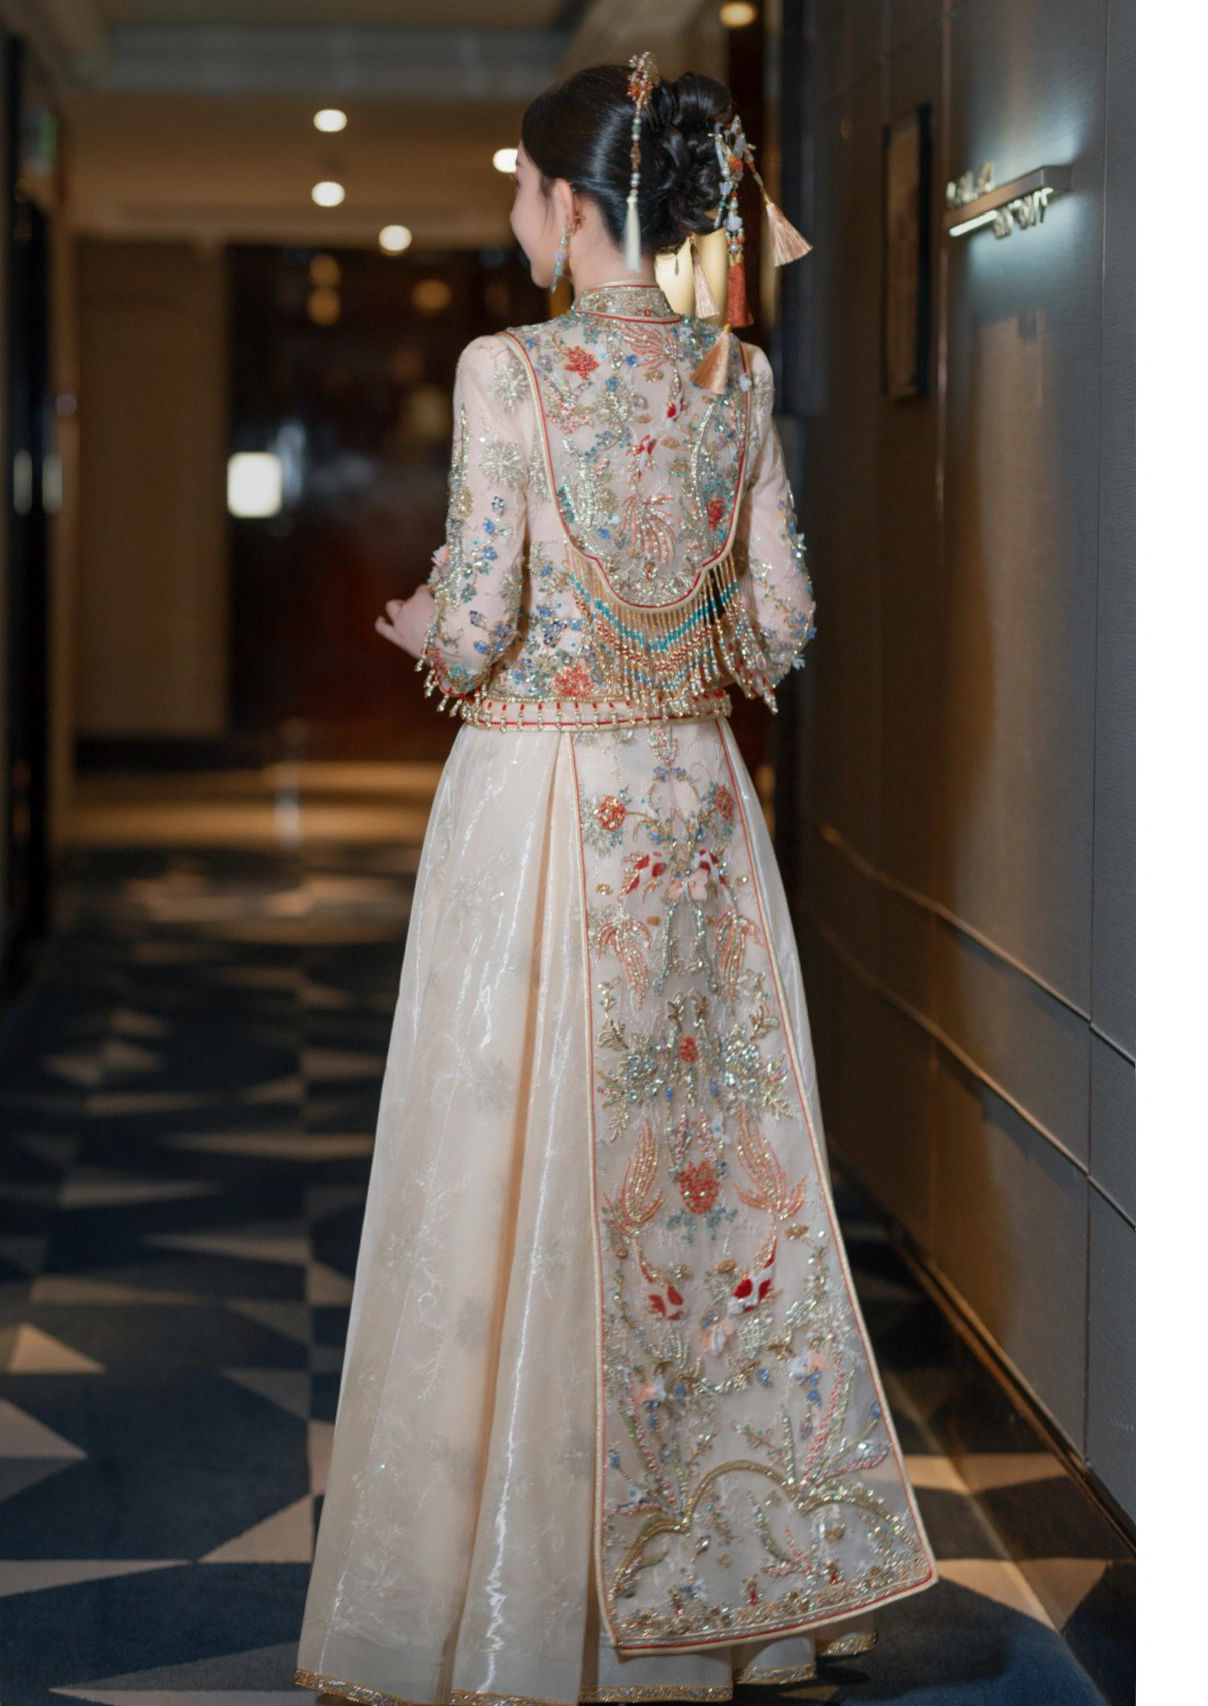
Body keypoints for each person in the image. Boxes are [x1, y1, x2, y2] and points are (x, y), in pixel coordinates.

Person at [293, 54, 937, 1706]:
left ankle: (518, 1604)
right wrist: (670, 646)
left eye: (524, 188)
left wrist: (425, 628)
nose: (518, 215)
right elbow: (782, 624)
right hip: (698, 811)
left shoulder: (508, 368)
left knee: (520, 1158)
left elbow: (480, 617)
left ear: (572, 204)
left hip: (538, 803)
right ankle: (733, 1597)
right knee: (697, 1177)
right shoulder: (736, 374)